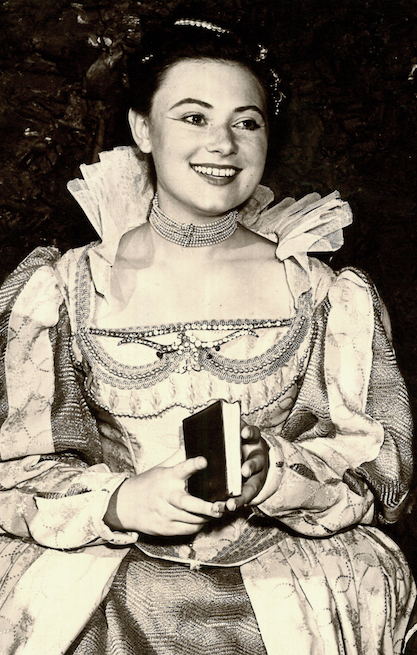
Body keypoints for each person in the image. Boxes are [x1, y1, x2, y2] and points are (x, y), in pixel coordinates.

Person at [0, 14, 414, 655]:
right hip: (103, 580)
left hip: (285, 577)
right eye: (192, 118)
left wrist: (274, 471)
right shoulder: (62, 288)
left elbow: (379, 468)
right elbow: (15, 466)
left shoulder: (327, 294)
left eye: (245, 122)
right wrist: (119, 502)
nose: (222, 144)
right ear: (142, 129)